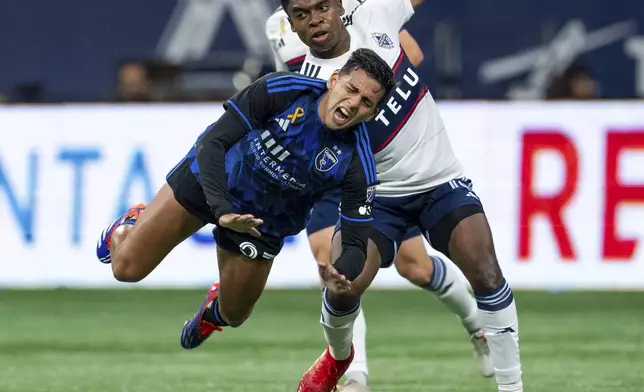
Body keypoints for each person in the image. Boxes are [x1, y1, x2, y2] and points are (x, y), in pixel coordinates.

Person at [280, 1, 525, 391]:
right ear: (291, 25)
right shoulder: (309, 84)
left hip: (439, 180)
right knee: (341, 285)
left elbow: (412, 48)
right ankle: (344, 367)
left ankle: (509, 383)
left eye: (321, 7)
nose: (314, 19)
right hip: (373, 197)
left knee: (482, 272)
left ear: (337, 5)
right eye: (301, 15)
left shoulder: (374, 13)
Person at [95, 49, 395, 348]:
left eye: (366, 101)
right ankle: (132, 222)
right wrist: (223, 209)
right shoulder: (284, 90)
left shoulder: (358, 163)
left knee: (234, 314)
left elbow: (355, 243)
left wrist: (341, 273)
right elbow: (213, 142)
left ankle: (210, 313)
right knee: (126, 269)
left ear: (373, 112)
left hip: (263, 222)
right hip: (211, 178)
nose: (353, 103)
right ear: (333, 80)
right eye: (351, 89)